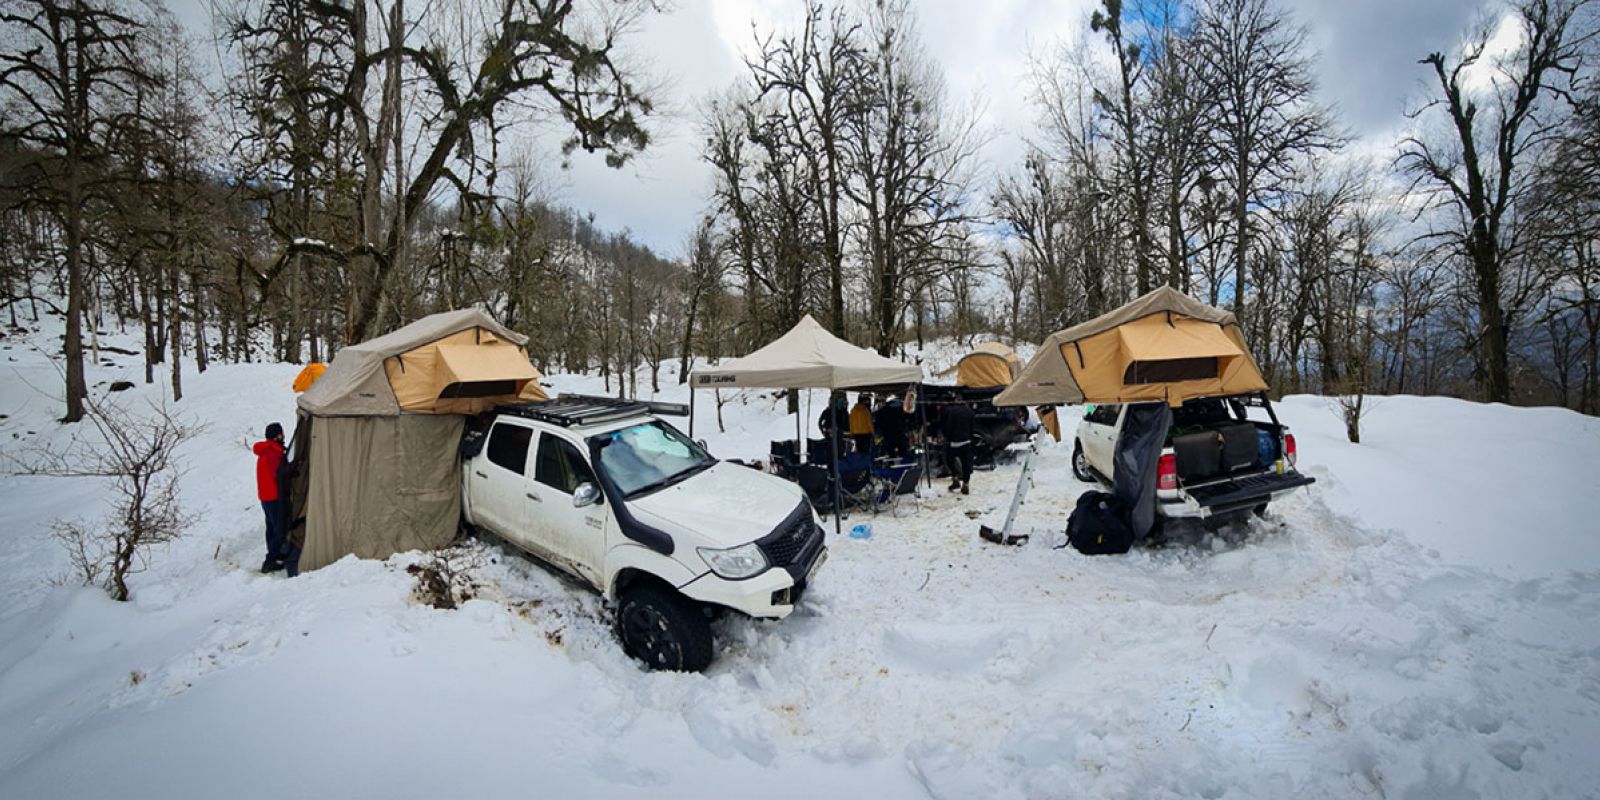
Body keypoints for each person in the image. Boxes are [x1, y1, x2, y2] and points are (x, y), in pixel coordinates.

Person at [254, 422, 291, 574]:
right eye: (281, 434)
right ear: (276, 436)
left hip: (265, 496)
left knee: (271, 527)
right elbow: (279, 474)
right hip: (275, 496)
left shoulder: (265, 451)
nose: (283, 436)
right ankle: (270, 561)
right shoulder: (273, 453)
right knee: (279, 529)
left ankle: (276, 555)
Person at [942, 399, 975, 495]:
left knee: (949, 460)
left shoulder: (952, 411)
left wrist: (948, 438)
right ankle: (966, 484)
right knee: (966, 464)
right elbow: (973, 427)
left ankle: (955, 478)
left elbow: (948, 426)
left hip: (954, 442)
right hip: (966, 441)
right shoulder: (970, 412)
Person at [874, 395, 910, 460]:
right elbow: (905, 421)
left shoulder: (882, 411)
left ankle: (891, 464)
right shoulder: (901, 409)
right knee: (902, 452)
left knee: (891, 453)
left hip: (888, 434)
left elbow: (878, 423)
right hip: (899, 433)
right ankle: (904, 463)